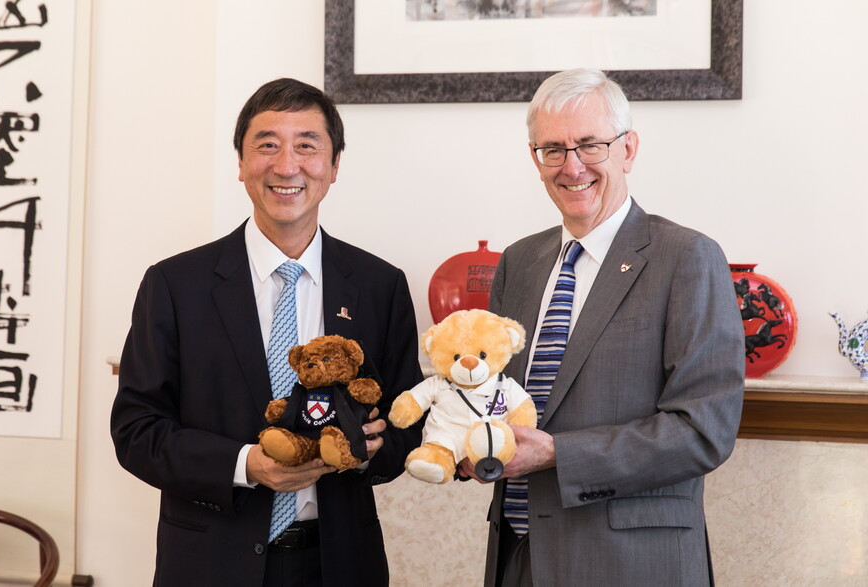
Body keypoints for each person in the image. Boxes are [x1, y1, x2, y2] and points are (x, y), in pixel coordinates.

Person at [110, 78, 423, 587]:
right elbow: (136, 431)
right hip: (210, 564)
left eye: (307, 145)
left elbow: (407, 423)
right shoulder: (174, 284)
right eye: (267, 145)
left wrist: (364, 450)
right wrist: (245, 465)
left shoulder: (379, 285)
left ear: (334, 166)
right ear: (240, 163)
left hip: (340, 562)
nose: (286, 165)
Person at [458, 68, 745, 586]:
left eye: (590, 145)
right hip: (519, 554)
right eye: (553, 149)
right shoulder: (518, 263)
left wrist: (558, 454)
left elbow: (704, 431)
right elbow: (496, 397)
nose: (572, 167)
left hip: (631, 565)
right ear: (535, 159)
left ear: (628, 150)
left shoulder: (688, 258)